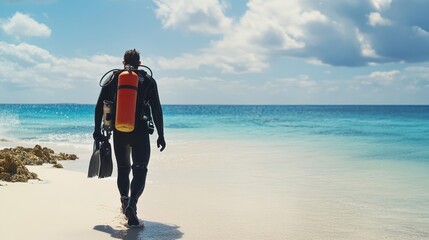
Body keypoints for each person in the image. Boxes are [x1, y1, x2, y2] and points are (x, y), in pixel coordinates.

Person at [93, 49, 166, 227]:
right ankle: (133, 204)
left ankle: (124, 201)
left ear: (122, 62)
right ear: (140, 62)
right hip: (140, 131)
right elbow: (157, 109)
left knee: (123, 169)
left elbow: (98, 107)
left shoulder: (113, 79)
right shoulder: (147, 80)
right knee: (140, 169)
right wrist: (161, 134)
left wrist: (97, 131)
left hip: (119, 131)